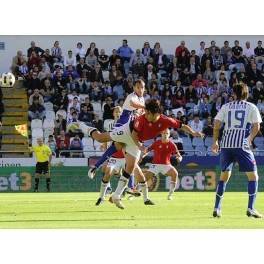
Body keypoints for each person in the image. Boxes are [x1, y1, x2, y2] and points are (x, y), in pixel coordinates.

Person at [70, 99, 204, 209]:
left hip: (136, 140)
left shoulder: (165, 120)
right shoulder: (141, 119)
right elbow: (134, 135)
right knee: (100, 138)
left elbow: (181, 125)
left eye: (147, 113)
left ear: (154, 113)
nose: (145, 114)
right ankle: (84, 126)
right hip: (126, 132)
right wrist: (140, 146)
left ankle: (116, 196)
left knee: (130, 167)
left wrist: (193, 133)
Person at [211, 83, 263, 218]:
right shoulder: (251, 107)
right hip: (241, 145)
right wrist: (250, 139)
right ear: (247, 93)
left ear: (233, 94)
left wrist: (215, 141)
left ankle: (217, 208)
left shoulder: (226, 106)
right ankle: (251, 208)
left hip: (226, 145)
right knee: (253, 177)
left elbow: (216, 124)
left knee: (223, 177)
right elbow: (256, 126)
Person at [87, 80, 145, 181]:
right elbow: (133, 103)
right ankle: (96, 167)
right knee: (115, 146)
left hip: (131, 126)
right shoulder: (132, 96)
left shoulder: (142, 99)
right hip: (123, 124)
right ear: (134, 88)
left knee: (124, 152)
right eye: (138, 87)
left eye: (142, 87)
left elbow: (140, 113)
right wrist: (144, 107)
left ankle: (96, 167)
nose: (140, 89)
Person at [143, 129, 182, 200]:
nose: (165, 135)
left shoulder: (172, 144)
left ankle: (170, 195)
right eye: (164, 133)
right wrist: (141, 157)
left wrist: (179, 158)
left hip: (166, 165)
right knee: (144, 178)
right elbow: (147, 150)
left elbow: (178, 155)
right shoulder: (156, 142)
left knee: (175, 174)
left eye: (167, 133)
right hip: (155, 165)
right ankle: (135, 192)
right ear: (161, 134)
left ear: (169, 135)